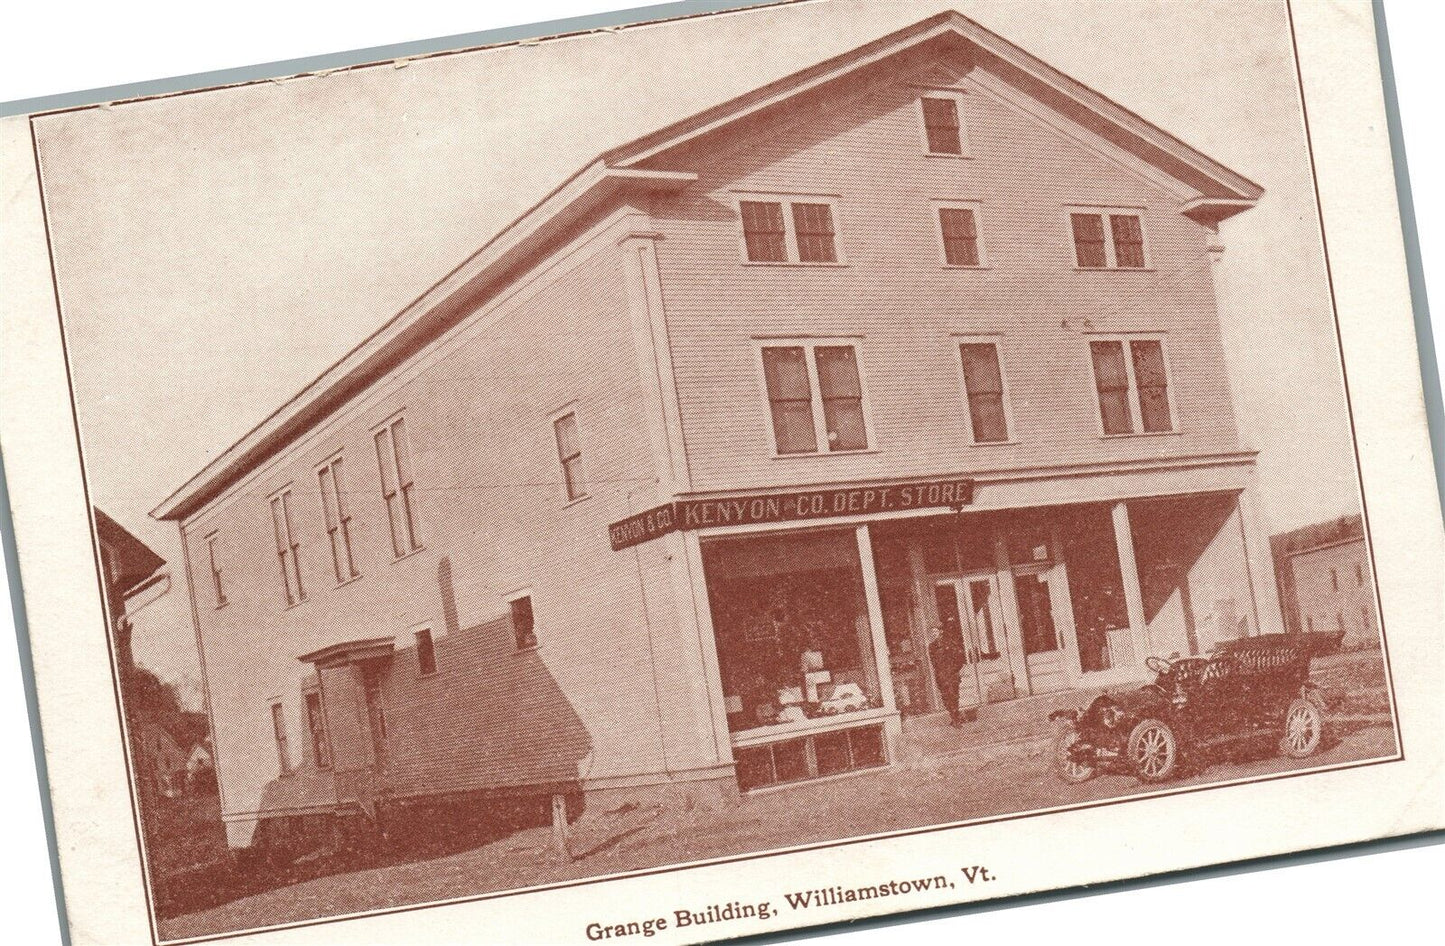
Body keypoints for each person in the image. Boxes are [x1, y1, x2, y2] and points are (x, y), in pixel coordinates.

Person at [928, 621, 968, 727]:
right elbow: (934, 663)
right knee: (945, 698)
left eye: (935, 631)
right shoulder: (931, 647)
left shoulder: (949, 643)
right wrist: (940, 674)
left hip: (951, 674)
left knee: (953, 696)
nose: (933, 634)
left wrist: (955, 670)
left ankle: (956, 719)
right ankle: (954, 716)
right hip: (941, 676)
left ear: (941, 632)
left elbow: (959, 658)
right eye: (932, 632)